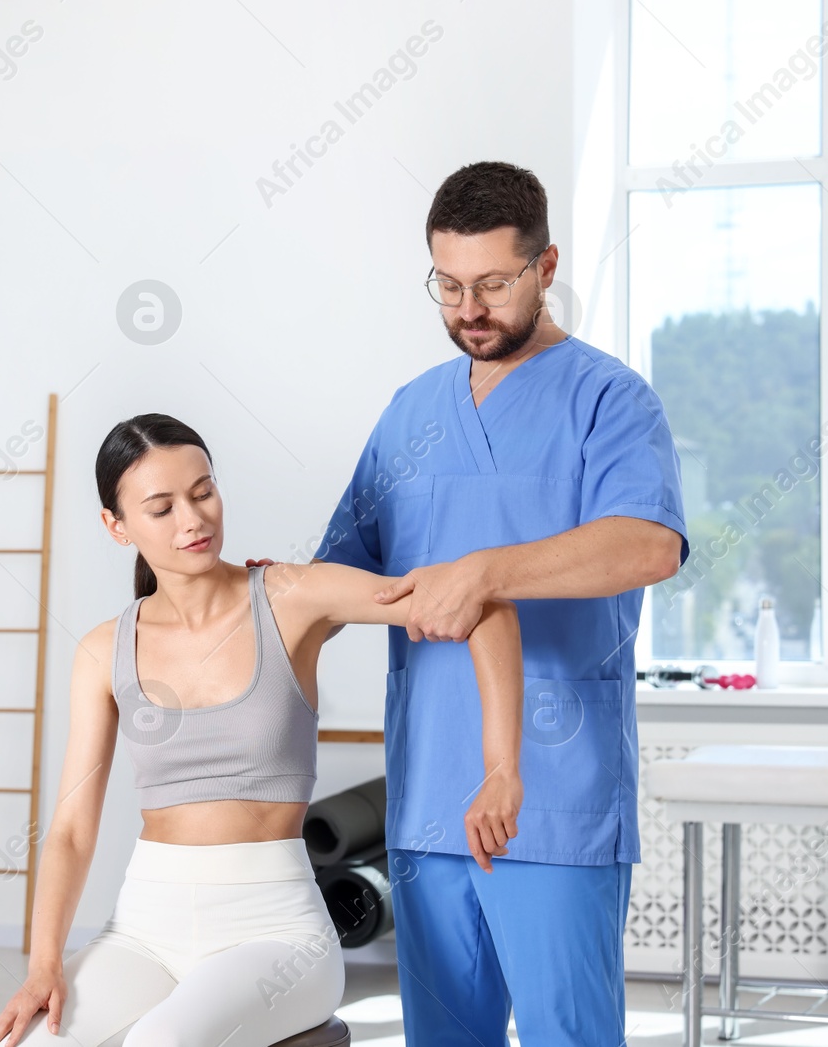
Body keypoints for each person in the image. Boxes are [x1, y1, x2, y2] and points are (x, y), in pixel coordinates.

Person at [0, 413, 524, 1047]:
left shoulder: (291, 597)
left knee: (163, 1043)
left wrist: (501, 766)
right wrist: (43, 966)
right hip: (141, 932)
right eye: (161, 508)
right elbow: (71, 830)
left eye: (203, 491)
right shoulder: (104, 649)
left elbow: (480, 606)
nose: (193, 520)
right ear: (116, 526)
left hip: (276, 934)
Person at [310, 161, 690, 1046]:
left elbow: (649, 544)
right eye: (448, 285)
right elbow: (342, 573)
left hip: (554, 790)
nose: (468, 308)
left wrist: (487, 572)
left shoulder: (608, 398)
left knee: (570, 1035)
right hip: (429, 795)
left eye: (492, 284)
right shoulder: (412, 413)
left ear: (546, 266)